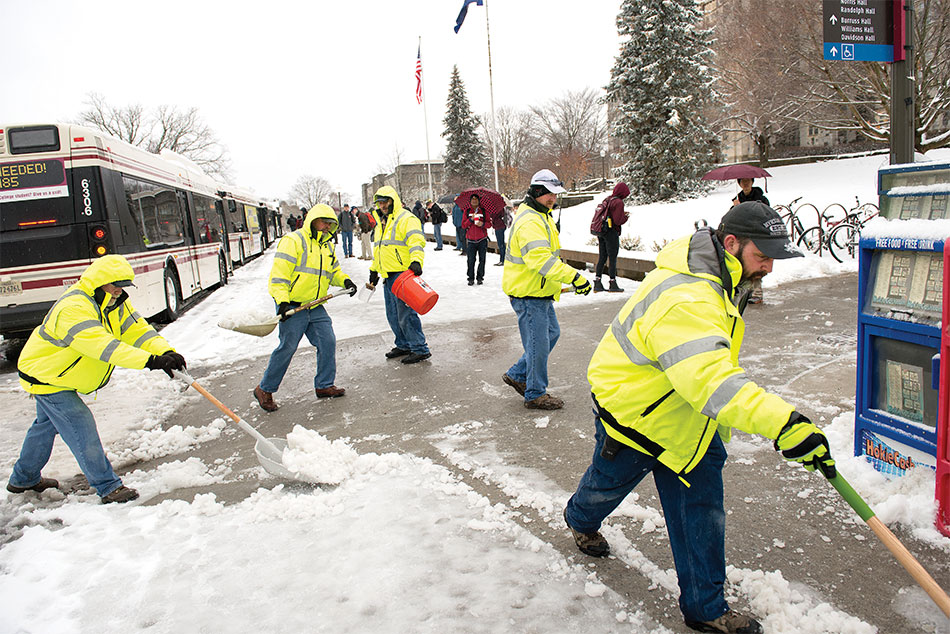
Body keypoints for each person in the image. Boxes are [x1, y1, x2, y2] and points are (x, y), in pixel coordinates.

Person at [564, 202, 831, 634]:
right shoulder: (687, 296)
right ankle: (579, 518)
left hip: (689, 414)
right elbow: (711, 380)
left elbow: (705, 372)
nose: (768, 268)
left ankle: (706, 607)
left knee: (702, 508)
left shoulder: (721, 276)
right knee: (605, 485)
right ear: (731, 244)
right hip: (638, 413)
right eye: (763, 256)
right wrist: (784, 423)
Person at [8, 254, 186, 504]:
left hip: (62, 374)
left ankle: (23, 478)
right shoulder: (74, 308)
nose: (119, 291)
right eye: (115, 285)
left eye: (123, 285)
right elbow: (103, 346)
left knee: (46, 427)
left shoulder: (114, 302)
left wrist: (163, 351)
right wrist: (150, 361)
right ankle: (107, 486)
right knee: (80, 424)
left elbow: (138, 330)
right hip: (47, 375)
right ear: (99, 281)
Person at [501, 169, 591, 410]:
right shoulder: (530, 220)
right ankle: (535, 393)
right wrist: (574, 277)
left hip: (538, 292)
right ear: (537, 192)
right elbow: (540, 260)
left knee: (550, 335)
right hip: (529, 294)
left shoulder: (541, 215)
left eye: (555, 194)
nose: (553, 199)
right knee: (538, 344)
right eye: (549, 194)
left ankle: (518, 374)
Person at [254, 204, 357, 411]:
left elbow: (333, 271)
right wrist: (282, 301)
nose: (327, 227)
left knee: (327, 341)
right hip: (292, 305)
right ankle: (264, 388)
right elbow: (279, 276)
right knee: (288, 347)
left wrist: (345, 281)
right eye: (324, 223)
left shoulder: (326, 245)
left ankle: (324, 385)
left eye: (330, 224)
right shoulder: (293, 241)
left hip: (315, 304)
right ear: (312, 221)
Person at [368, 186, 431, 364]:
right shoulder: (382, 221)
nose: (382, 206)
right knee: (393, 314)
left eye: (385, 202)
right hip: (388, 275)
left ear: (393, 201)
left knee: (406, 314)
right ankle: (403, 344)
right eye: (379, 203)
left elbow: (417, 242)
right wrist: (374, 269)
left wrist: (417, 261)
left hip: (403, 274)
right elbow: (380, 248)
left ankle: (419, 348)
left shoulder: (406, 219)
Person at [731, 179, 770, 305]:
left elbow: (765, 216)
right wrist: (735, 209)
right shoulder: (737, 199)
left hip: (757, 237)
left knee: (756, 265)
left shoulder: (761, 199)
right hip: (743, 239)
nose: (746, 184)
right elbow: (732, 219)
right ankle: (747, 292)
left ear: (752, 182)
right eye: (743, 182)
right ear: (739, 184)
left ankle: (757, 293)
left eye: (748, 181)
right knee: (744, 266)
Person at [593, 182, 631, 293]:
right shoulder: (618, 202)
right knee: (612, 257)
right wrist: (626, 217)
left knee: (602, 257)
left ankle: (597, 282)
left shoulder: (608, 199)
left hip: (602, 231)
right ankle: (612, 283)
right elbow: (618, 220)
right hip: (611, 232)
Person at [462, 194, 492, 286]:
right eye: (473, 199)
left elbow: (489, 224)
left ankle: (480, 278)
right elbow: (463, 225)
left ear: (479, 201)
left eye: (476, 199)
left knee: (482, 260)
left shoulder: (483, 211)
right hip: (471, 240)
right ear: (470, 201)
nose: (474, 201)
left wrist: (482, 224)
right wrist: (470, 220)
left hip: (482, 239)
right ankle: (470, 278)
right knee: (471, 260)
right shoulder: (467, 211)